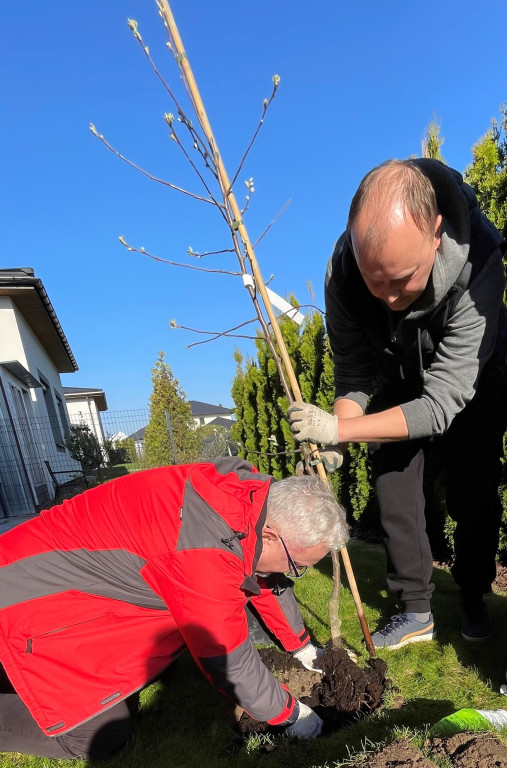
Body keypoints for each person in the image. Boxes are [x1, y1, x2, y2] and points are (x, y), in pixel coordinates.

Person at [288, 158, 507, 650]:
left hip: (469, 380)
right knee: (393, 490)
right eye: (375, 281)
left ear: (435, 234)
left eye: (401, 279)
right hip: (396, 376)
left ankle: (473, 596)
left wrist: (341, 431)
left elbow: (442, 401)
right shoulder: (344, 273)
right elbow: (353, 370)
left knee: (474, 494)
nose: (387, 298)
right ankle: (415, 610)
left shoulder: (482, 262)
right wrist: (338, 438)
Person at [0, 457, 348, 759]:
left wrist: (301, 646)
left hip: (64, 583)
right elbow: (228, 659)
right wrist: (289, 714)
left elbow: (264, 573)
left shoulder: (247, 496)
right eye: (296, 565)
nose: (292, 574)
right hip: (24, 602)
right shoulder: (202, 553)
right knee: (95, 734)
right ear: (272, 535)